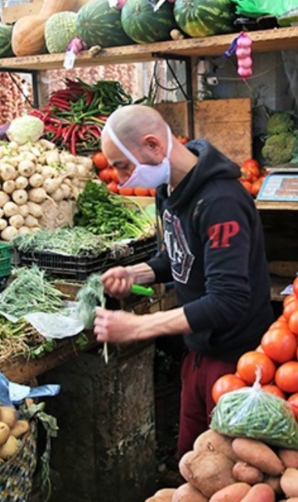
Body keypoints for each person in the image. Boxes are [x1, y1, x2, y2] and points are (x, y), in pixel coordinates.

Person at [93, 105, 275, 456]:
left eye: (123, 166)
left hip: (236, 359)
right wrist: (137, 273)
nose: (119, 177)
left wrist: (140, 327)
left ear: (153, 145)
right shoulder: (169, 189)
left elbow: (228, 299)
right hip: (197, 352)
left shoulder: (222, 201)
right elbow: (177, 254)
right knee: (192, 460)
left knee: (228, 467)